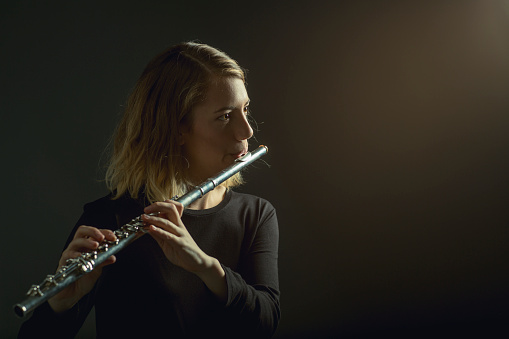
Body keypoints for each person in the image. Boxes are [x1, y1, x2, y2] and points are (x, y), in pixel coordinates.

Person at [18, 42, 280, 338]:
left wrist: (206, 267)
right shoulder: (110, 218)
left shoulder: (255, 215)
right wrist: (61, 305)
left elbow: (265, 323)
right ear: (177, 128)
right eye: (225, 116)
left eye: (245, 109)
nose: (247, 131)